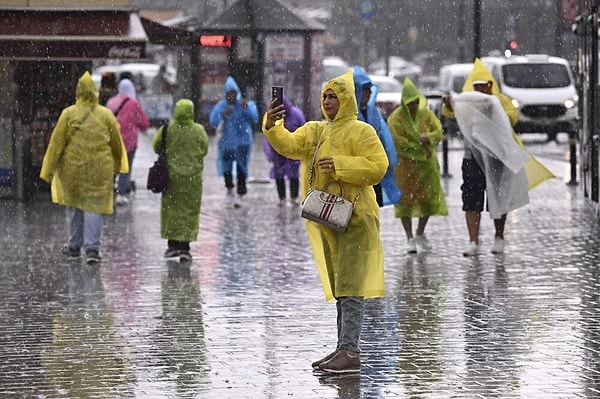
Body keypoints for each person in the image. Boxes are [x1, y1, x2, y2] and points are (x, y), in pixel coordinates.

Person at [263, 71, 388, 374]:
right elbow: (290, 145)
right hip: (330, 219)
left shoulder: (362, 131)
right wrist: (272, 126)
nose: (328, 101)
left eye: (334, 96)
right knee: (340, 284)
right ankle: (342, 348)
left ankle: (350, 351)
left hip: (357, 218)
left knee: (351, 285)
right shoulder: (316, 130)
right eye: (325, 96)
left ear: (346, 100)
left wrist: (342, 166)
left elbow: (378, 167)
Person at [442, 59, 554, 256]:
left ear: (491, 85)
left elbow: (512, 117)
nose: (482, 90)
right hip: (472, 158)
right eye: (477, 86)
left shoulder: (500, 100)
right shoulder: (467, 101)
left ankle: (499, 236)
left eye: (485, 86)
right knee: (471, 198)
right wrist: (451, 105)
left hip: (498, 158)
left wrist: (492, 108)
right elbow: (450, 113)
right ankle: (473, 240)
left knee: (499, 196)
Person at [39, 71, 128, 265]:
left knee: (75, 206)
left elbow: (56, 145)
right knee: (94, 207)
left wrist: (47, 171)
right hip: (99, 169)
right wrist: (118, 165)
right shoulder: (105, 115)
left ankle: (74, 246)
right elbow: (116, 143)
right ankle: (92, 249)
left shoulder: (68, 114)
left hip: (73, 169)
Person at [388, 77, 448, 254]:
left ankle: (420, 232)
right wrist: (418, 146)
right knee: (405, 202)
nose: (414, 106)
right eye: (410, 103)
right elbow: (397, 141)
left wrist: (427, 138)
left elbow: (438, 131)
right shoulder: (396, 118)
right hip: (405, 167)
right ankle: (409, 238)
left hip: (427, 166)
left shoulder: (426, 114)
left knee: (428, 200)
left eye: (416, 102)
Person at [152, 99, 209, 263]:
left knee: (171, 210)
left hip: (171, 178)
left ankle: (172, 245)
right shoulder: (198, 130)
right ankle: (185, 247)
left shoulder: (168, 128)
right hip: (192, 180)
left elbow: (156, 146)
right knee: (189, 211)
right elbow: (204, 149)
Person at [352, 65, 402, 207]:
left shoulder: (373, 112)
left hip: (374, 168)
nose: (367, 95)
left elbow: (384, 137)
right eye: (365, 91)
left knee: (374, 205)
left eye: (369, 91)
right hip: (358, 171)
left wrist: (388, 160)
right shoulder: (350, 114)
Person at [209, 76, 259, 208]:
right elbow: (213, 121)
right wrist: (222, 115)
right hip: (227, 143)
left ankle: (241, 192)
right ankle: (229, 187)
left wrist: (247, 107)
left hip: (243, 142)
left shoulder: (244, 104)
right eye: (229, 94)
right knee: (227, 168)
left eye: (233, 93)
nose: (232, 96)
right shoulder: (221, 106)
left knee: (242, 168)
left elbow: (255, 118)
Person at [106, 79, 151, 205]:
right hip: (129, 141)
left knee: (113, 166)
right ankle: (121, 193)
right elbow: (143, 122)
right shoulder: (133, 103)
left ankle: (108, 191)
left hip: (112, 140)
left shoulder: (111, 102)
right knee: (126, 167)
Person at [262, 95, 305, 206]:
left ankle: (294, 197)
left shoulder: (296, 114)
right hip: (277, 153)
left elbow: (304, 132)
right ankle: (282, 198)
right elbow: (267, 137)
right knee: (279, 176)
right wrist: (271, 155)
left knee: (294, 175)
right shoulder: (271, 116)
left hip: (293, 152)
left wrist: (301, 151)